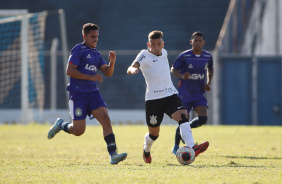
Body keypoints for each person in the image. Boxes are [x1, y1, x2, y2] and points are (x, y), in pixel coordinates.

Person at [47, 23, 127, 165]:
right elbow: (69, 70)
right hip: (78, 94)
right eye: (92, 37)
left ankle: (113, 154)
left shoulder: (96, 53)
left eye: (97, 37)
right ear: (84, 36)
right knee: (78, 130)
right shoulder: (79, 50)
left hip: (93, 93)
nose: (95, 39)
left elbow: (107, 72)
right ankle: (61, 125)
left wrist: (112, 62)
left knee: (105, 119)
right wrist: (91, 77)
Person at [127, 30, 209, 164]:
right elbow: (132, 66)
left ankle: (192, 147)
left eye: (159, 44)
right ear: (148, 44)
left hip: (170, 94)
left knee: (183, 117)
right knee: (154, 135)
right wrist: (133, 70)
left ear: (163, 44)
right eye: (153, 44)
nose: (156, 47)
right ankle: (146, 149)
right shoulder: (144, 54)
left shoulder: (164, 53)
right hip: (153, 100)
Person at [171, 31, 214, 155]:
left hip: (198, 93)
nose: (198, 43)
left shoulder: (208, 56)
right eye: (195, 40)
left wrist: (209, 83)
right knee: (182, 119)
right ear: (191, 42)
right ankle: (175, 146)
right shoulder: (184, 56)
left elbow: (211, 69)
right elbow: (173, 69)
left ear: (203, 43)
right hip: (185, 93)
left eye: (200, 41)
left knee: (203, 118)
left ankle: (186, 129)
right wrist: (181, 75)